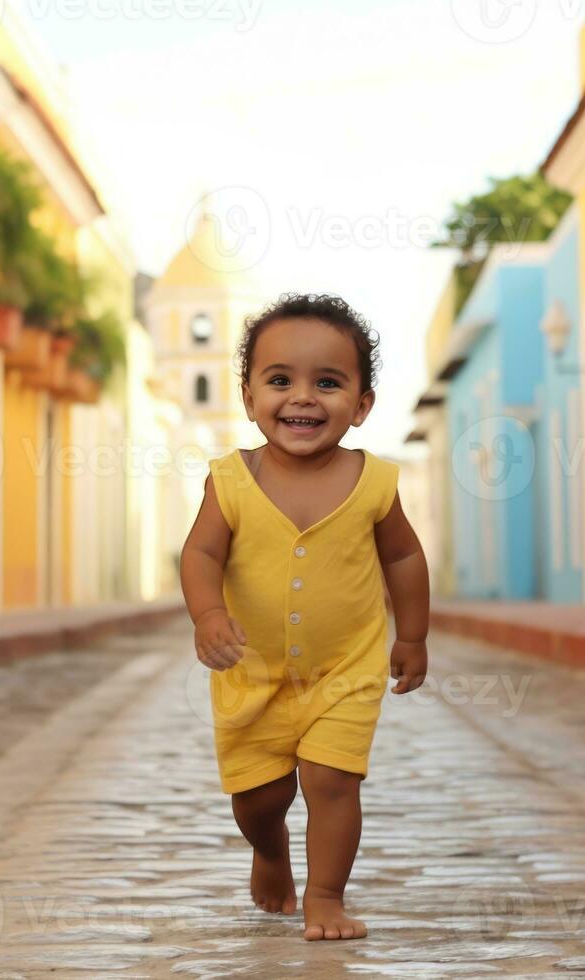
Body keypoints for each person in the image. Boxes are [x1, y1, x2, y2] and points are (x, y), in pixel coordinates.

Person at [180, 292, 431, 941]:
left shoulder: (372, 481)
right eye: (279, 380)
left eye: (328, 382)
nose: (303, 397)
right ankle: (268, 852)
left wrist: (412, 635)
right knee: (258, 800)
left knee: (331, 781)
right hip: (251, 673)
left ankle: (325, 897)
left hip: (343, 670)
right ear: (248, 396)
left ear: (361, 404)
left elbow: (402, 557)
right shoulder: (230, 480)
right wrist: (208, 614)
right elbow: (201, 551)